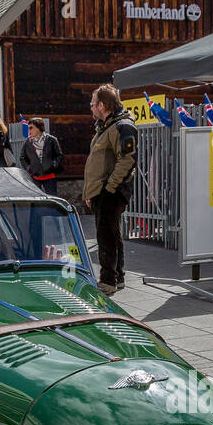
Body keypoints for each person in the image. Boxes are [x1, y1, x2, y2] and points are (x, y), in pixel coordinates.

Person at [83, 83, 137, 292]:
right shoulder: (105, 126)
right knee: (112, 234)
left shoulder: (122, 126)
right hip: (101, 190)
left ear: (103, 105)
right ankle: (118, 276)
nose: (91, 107)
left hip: (110, 191)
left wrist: (110, 188)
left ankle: (108, 281)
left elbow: (128, 159)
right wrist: (90, 191)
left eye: (93, 103)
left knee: (105, 237)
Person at [19, 117, 63, 189]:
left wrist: (53, 165)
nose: (29, 130)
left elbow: (59, 155)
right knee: (36, 199)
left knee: (51, 198)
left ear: (38, 128)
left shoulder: (51, 140)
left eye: (31, 128)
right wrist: (29, 168)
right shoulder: (28, 142)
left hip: (49, 176)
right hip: (35, 177)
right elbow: (22, 158)